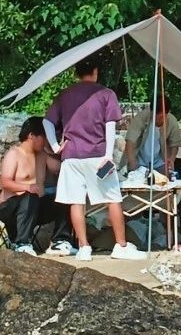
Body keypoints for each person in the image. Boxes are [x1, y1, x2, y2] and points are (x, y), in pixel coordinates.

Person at [44, 59, 144, 261]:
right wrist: (108, 155)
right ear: (95, 71)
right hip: (97, 154)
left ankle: (83, 247)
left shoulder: (65, 95)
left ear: (77, 73)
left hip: (71, 156)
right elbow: (110, 126)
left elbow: (47, 121)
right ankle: (121, 245)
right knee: (113, 198)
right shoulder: (106, 94)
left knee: (76, 201)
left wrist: (55, 147)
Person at [0, 117, 48, 253]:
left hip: (35, 207)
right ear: (32, 135)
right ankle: (22, 243)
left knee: (62, 201)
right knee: (30, 196)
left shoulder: (42, 156)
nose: (46, 141)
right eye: (43, 137)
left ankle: (61, 240)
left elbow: (58, 167)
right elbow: (5, 182)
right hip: (10, 207)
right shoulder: (14, 154)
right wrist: (27, 187)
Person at [123, 95, 181, 175]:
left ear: (167, 113)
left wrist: (171, 160)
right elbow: (130, 140)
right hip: (139, 161)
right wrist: (132, 162)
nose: (157, 119)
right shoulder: (141, 117)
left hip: (160, 161)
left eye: (161, 117)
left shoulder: (172, 121)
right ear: (151, 111)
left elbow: (175, 144)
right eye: (155, 115)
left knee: (165, 183)